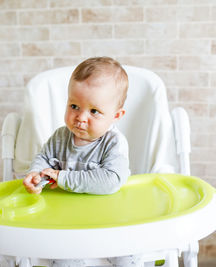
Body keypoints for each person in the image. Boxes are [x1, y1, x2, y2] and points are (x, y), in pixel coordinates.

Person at [23, 57, 142, 267]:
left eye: (94, 111)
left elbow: (111, 180)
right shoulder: (60, 137)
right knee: (62, 258)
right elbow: (43, 158)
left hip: (110, 224)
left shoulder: (114, 143)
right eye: (74, 106)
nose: (80, 117)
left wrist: (62, 177)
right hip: (68, 225)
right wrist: (36, 173)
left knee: (130, 254)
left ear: (116, 115)